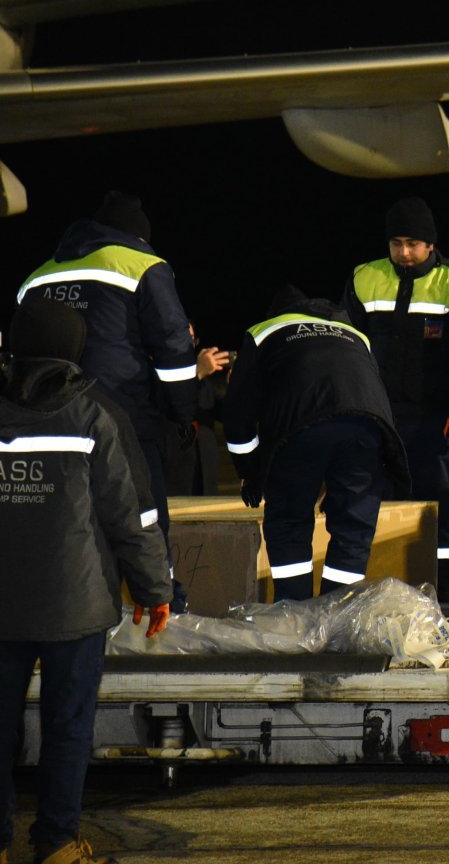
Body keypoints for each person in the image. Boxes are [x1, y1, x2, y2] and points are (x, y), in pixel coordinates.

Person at [0, 301, 171, 864]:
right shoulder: (96, 413)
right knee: (68, 727)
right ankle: (56, 844)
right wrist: (154, 589)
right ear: (75, 347)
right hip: (75, 606)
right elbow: (132, 516)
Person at [16, 190, 199, 607]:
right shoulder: (144, 266)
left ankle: (76, 616)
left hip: (44, 423)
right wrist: (181, 412)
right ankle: (163, 609)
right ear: (139, 237)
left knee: (67, 523)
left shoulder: (37, 277)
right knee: (143, 515)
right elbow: (173, 350)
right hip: (124, 416)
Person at [224, 287, 408, 602]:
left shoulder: (264, 331)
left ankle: (295, 614)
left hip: (299, 427)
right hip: (368, 427)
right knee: (353, 526)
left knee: (290, 521)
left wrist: (250, 471)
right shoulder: (354, 334)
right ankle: (339, 616)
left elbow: (239, 409)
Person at [343, 197, 449, 602]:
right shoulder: (364, 278)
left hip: (434, 419)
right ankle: (379, 588)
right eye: (397, 243)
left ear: (431, 245)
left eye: (413, 244)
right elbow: (350, 345)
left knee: (437, 509)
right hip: (377, 418)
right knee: (373, 504)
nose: (404, 252)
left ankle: (440, 592)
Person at [160, 320, 229, 496]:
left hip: (204, 478)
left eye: (191, 339)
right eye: (182, 337)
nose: (188, 345)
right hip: (171, 481)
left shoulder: (205, 382)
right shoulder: (152, 373)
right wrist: (197, 374)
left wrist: (237, 389)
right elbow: (167, 409)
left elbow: (226, 415)